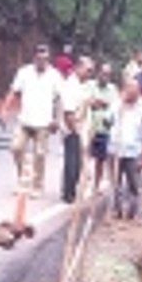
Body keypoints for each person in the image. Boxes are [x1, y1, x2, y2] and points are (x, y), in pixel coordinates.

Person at [2, 43, 60, 198]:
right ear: (34, 58)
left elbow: (60, 99)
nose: (42, 61)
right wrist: (5, 110)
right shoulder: (24, 72)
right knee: (16, 147)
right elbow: (13, 91)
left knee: (40, 155)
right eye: (39, 58)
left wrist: (56, 119)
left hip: (44, 122)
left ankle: (37, 185)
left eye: (45, 58)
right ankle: (23, 179)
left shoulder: (54, 75)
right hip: (25, 120)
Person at [108, 77, 142, 219]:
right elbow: (107, 120)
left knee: (133, 183)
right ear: (125, 90)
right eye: (129, 89)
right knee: (115, 182)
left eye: (135, 90)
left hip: (133, 150)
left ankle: (132, 211)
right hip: (115, 148)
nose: (132, 93)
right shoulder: (117, 103)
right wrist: (117, 110)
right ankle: (117, 210)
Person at [59, 55, 93, 204]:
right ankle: (68, 193)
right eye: (87, 70)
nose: (89, 74)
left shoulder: (81, 85)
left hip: (81, 127)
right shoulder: (70, 86)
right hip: (72, 129)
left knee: (77, 163)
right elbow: (68, 113)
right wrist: (75, 131)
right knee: (72, 163)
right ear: (79, 68)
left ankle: (72, 191)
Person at [87, 61, 118, 192]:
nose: (105, 77)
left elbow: (114, 106)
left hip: (106, 128)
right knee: (87, 158)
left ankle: (100, 185)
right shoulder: (90, 85)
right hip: (90, 127)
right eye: (103, 74)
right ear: (98, 73)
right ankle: (86, 185)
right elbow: (89, 102)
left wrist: (100, 103)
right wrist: (100, 103)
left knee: (103, 159)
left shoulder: (112, 89)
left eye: (108, 75)